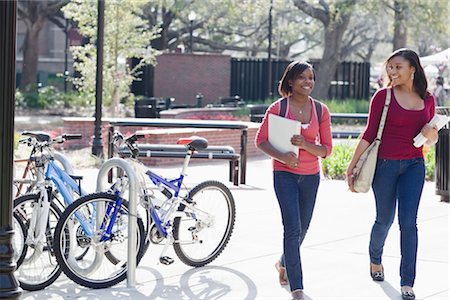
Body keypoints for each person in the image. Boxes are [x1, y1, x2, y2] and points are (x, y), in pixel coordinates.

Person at [346, 48, 439, 300]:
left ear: (413, 69)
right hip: (384, 166)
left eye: (398, 67)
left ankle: (407, 282)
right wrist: (352, 166)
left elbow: (430, 137)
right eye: (390, 67)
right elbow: (368, 133)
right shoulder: (382, 97)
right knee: (384, 220)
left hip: (414, 166)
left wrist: (432, 136)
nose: (392, 71)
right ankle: (375, 258)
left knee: (409, 223)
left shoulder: (428, 99)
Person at [255, 61, 332, 300]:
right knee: (292, 228)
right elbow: (261, 140)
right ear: (290, 81)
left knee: (303, 227)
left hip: (311, 176)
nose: (307, 81)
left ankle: (282, 262)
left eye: (311, 77)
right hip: (284, 174)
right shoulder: (278, 108)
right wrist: (283, 157)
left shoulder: (321, 111)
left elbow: (326, 150)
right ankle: (297, 287)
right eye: (302, 77)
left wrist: (305, 144)